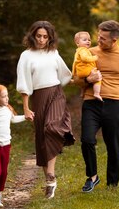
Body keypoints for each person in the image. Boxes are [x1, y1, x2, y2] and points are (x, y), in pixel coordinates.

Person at [73, 20, 119, 191]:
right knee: (87, 139)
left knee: (113, 145)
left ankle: (112, 184)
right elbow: (76, 79)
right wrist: (87, 80)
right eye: (98, 37)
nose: (98, 41)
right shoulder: (88, 53)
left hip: (113, 103)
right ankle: (92, 177)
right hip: (91, 102)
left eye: (103, 39)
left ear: (114, 40)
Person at [16, 20, 75, 199]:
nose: (42, 40)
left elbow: (66, 75)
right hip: (38, 97)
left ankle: (51, 172)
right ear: (33, 36)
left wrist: (88, 78)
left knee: (52, 128)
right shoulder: (26, 56)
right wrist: (26, 108)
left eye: (45, 37)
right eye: (38, 36)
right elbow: (24, 83)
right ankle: (50, 182)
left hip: (56, 93)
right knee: (42, 136)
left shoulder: (53, 53)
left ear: (50, 38)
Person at [72, 31, 102, 101]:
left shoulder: (78, 51)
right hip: (86, 70)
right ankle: (97, 93)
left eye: (89, 40)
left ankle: (82, 92)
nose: (88, 41)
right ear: (77, 43)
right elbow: (85, 58)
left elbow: (75, 63)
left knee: (85, 82)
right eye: (84, 40)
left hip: (80, 72)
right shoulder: (83, 50)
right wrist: (95, 57)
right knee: (98, 78)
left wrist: (74, 73)